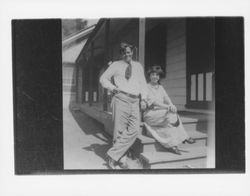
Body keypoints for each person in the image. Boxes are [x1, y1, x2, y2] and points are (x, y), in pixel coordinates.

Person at [99, 42, 148, 169]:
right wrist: (113, 88)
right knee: (119, 130)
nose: (128, 54)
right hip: (121, 98)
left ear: (132, 52)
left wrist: (144, 100)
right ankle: (121, 158)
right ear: (121, 53)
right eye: (125, 52)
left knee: (134, 129)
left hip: (135, 100)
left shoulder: (138, 66)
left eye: (129, 52)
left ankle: (112, 154)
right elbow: (103, 79)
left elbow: (143, 83)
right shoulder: (115, 65)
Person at [143, 66, 195, 155]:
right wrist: (167, 107)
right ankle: (184, 137)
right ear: (149, 76)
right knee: (171, 116)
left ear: (159, 77)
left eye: (157, 75)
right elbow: (154, 102)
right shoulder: (146, 87)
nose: (155, 77)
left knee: (172, 116)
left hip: (161, 113)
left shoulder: (160, 87)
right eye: (153, 75)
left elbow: (167, 98)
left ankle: (173, 146)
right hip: (150, 114)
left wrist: (172, 105)